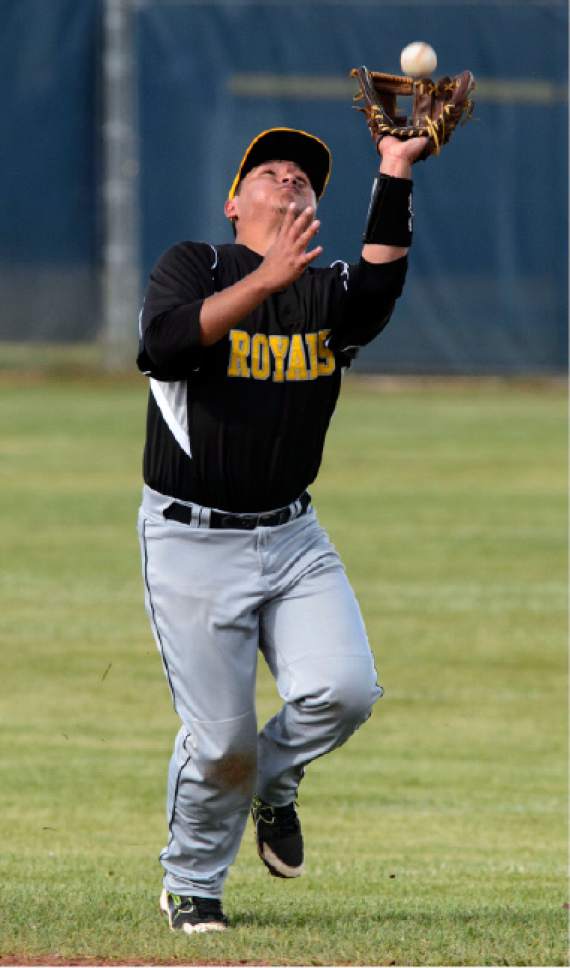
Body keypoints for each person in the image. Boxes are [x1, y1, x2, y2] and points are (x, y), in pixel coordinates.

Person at [136, 125, 428, 934]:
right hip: (192, 539)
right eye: (270, 172)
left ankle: (274, 782)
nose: (290, 181)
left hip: (294, 538)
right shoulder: (195, 265)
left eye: (304, 177)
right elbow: (162, 345)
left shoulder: (325, 292)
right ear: (236, 204)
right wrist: (264, 280)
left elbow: (378, 292)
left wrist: (395, 171)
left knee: (344, 690)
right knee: (220, 741)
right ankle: (192, 883)